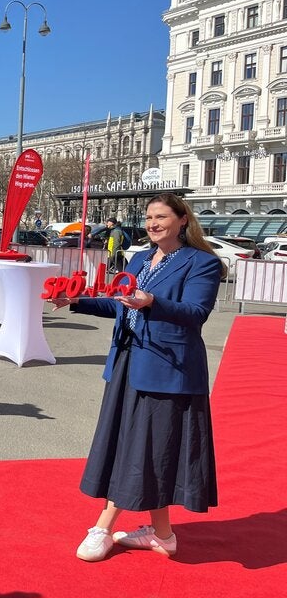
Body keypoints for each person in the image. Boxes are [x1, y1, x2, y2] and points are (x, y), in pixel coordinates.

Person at [49, 193, 224, 562]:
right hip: (128, 361)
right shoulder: (141, 258)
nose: (152, 223)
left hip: (168, 369)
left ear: (182, 220)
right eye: (148, 217)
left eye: (161, 217)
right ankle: (163, 535)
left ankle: (103, 527)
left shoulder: (202, 262)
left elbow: (196, 312)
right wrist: (76, 301)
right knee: (140, 445)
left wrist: (152, 302)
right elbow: (119, 304)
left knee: (141, 446)